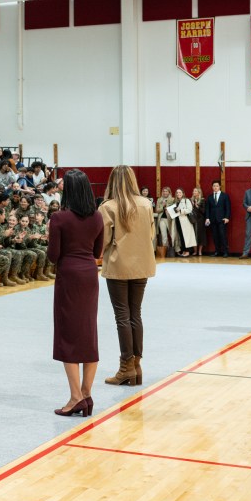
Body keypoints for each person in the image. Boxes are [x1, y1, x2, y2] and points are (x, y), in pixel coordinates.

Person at [48, 169, 104, 417]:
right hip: (90, 276)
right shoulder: (98, 217)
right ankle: (86, 393)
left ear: (68, 190)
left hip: (69, 276)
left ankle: (75, 398)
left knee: (68, 337)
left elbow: (53, 255)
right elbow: (97, 251)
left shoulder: (59, 218)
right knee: (88, 334)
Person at [98, 165, 156, 388]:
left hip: (118, 265)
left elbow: (103, 240)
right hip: (142, 264)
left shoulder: (108, 207)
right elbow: (150, 234)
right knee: (135, 314)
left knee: (122, 316)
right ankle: (137, 366)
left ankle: (126, 367)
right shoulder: (146, 203)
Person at [204, 180, 230, 257]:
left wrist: (227, 217)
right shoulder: (210, 197)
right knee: (215, 236)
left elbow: (228, 208)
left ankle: (225, 251)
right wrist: (207, 218)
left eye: (217, 186)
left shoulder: (224, 196)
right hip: (212, 220)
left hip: (222, 219)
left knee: (222, 235)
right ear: (212, 187)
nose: (215, 187)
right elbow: (207, 209)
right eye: (214, 186)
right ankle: (217, 251)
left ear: (219, 187)